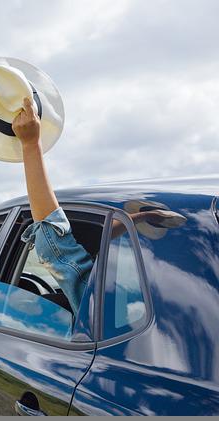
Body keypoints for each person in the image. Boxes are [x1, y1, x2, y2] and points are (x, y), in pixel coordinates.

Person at [11, 97, 175, 314]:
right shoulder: (178, 299)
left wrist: (31, 145)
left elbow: (55, 246)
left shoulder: (105, 309)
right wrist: (138, 219)